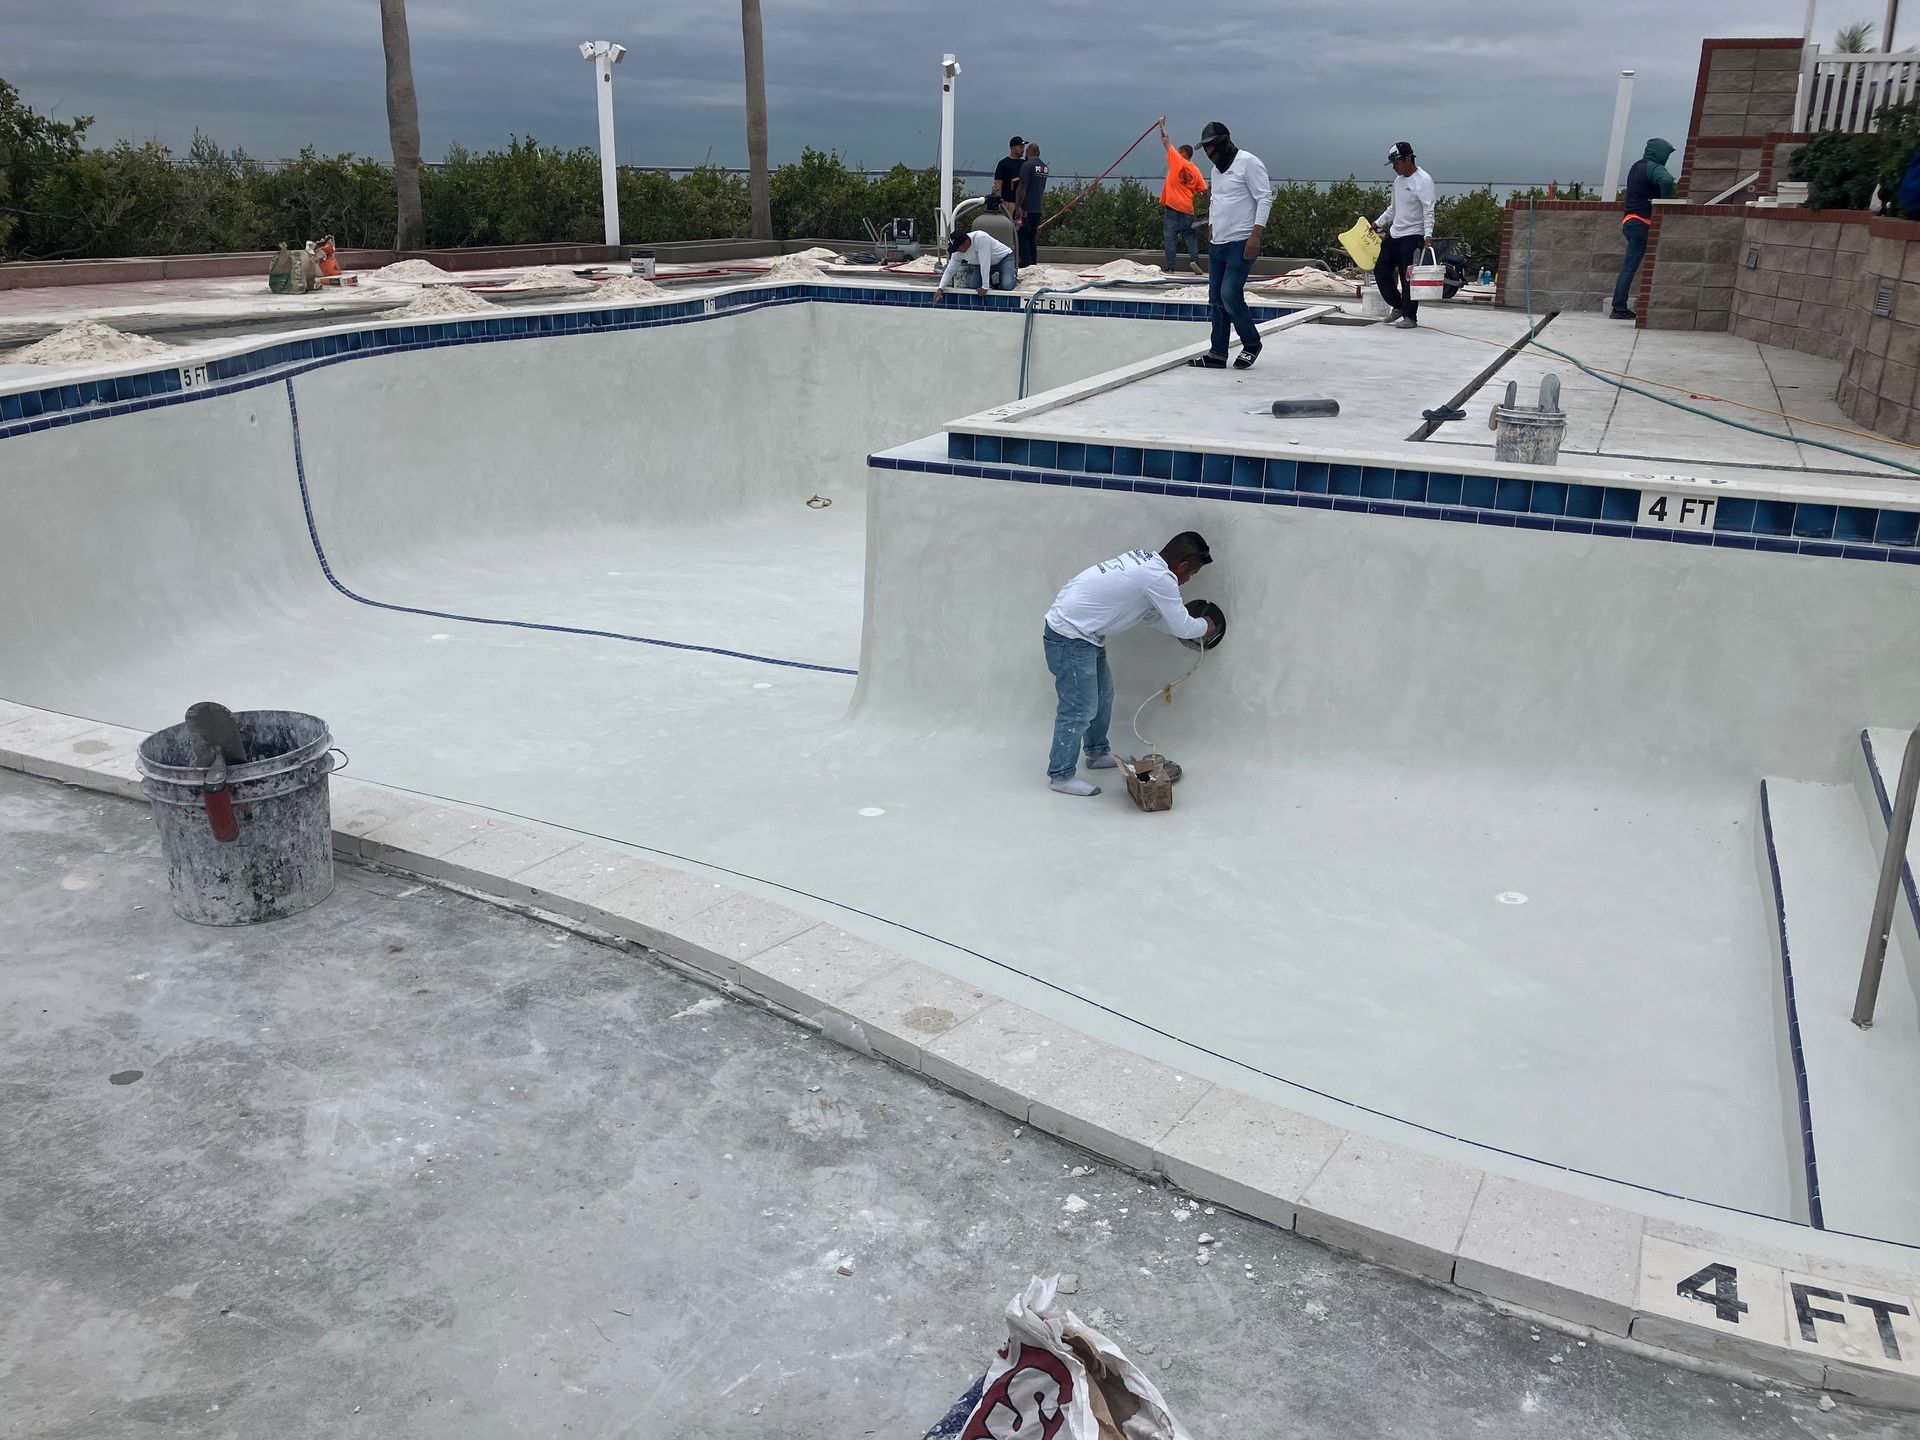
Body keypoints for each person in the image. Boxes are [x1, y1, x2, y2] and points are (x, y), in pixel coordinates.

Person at [1041, 532, 1218, 797]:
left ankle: (1096, 753)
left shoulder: (1145, 562)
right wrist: (1205, 625)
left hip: (1085, 633)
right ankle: (1061, 775)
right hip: (1070, 636)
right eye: (1191, 574)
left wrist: (1184, 627)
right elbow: (1183, 626)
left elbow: (1150, 617)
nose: (1187, 580)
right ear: (1182, 566)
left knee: (1103, 696)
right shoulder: (1160, 578)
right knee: (1079, 708)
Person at [1186, 121, 1272, 371]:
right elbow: (1216, 199)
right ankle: (1217, 353)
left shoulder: (1248, 163)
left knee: (1229, 294)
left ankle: (1251, 343)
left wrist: (1256, 236)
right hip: (1218, 243)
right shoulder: (1216, 171)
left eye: (1210, 147)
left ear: (1222, 143)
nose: (1208, 153)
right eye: (1205, 149)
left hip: (1241, 241)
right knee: (1215, 300)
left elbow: (1264, 198)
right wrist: (1212, 225)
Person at [1374, 141, 1437, 330]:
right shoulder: (1398, 181)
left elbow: (1428, 209)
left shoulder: (1423, 180)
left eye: (1397, 163)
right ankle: (1398, 306)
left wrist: (1428, 235)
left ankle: (1410, 317)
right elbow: (1393, 208)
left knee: (1408, 277)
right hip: (1396, 233)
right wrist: (1378, 223)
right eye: (1392, 164)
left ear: (1408, 159)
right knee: (1381, 270)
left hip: (1413, 235)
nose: (1394, 167)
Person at [1612, 138, 1676, 320]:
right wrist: (1664, 204)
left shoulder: (1637, 166)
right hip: (1642, 222)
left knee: (1629, 265)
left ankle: (1619, 306)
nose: (1666, 158)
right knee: (1629, 267)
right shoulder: (1653, 167)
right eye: (1666, 155)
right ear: (1659, 153)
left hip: (1630, 221)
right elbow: (1667, 180)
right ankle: (1619, 308)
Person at [1156, 117, 1208, 274]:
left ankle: (1170, 266)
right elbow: (1203, 191)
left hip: (1173, 207)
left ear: (1183, 153)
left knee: (1170, 237)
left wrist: (1161, 125)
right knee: (1190, 236)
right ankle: (1194, 261)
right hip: (1187, 209)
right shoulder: (1196, 170)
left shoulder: (1177, 159)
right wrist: (1209, 210)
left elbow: (1165, 140)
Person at [935, 228, 1017, 300]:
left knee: (1007, 285)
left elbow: (985, 262)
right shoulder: (957, 252)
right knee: (974, 284)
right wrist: (941, 288)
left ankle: (1011, 274)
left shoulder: (981, 238)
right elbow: (950, 270)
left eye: (958, 248)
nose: (957, 251)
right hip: (980, 264)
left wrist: (985, 286)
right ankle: (994, 278)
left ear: (966, 242)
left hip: (1003, 259)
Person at [1014, 141, 1050, 269]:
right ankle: (1033, 263)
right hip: (1038, 208)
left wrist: (1018, 206)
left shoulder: (1027, 166)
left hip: (1027, 209)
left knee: (1022, 235)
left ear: (1028, 152)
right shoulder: (1044, 167)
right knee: (1032, 237)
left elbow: (1022, 187)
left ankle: (1026, 263)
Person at [994, 136, 1026, 213]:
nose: (1023, 150)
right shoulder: (1003, 164)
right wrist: (999, 201)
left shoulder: (1025, 164)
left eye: (1023, 147)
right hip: (1008, 203)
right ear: (1013, 148)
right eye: (1021, 147)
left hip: (1022, 204)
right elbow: (998, 183)